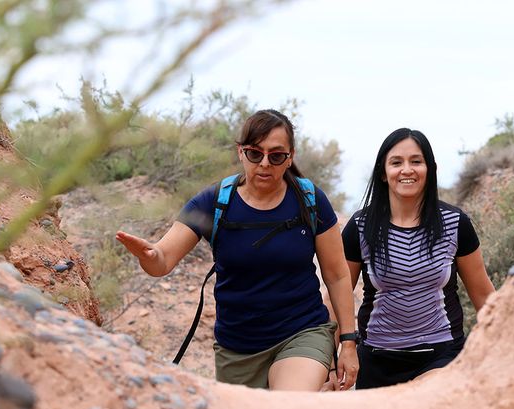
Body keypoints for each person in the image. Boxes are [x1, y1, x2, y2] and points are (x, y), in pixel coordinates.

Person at [116, 109, 359, 391]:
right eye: (255, 153)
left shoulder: (310, 199)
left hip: (302, 332)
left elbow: (338, 275)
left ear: (290, 157)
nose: (265, 164)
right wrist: (149, 256)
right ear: (241, 152)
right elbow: (162, 261)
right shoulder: (214, 202)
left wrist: (348, 343)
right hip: (238, 349)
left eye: (276, 156)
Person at [341, 127, 495, 389]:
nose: (407, 170)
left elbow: (483, 293)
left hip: (442, 354)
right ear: (382, 172)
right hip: (376, 359)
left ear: (429, 169)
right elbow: (337, 294)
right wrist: (338, 354)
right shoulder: (360, 227)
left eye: (416, 161)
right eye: (396, 162)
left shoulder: (455, 223)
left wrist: (513, 343)